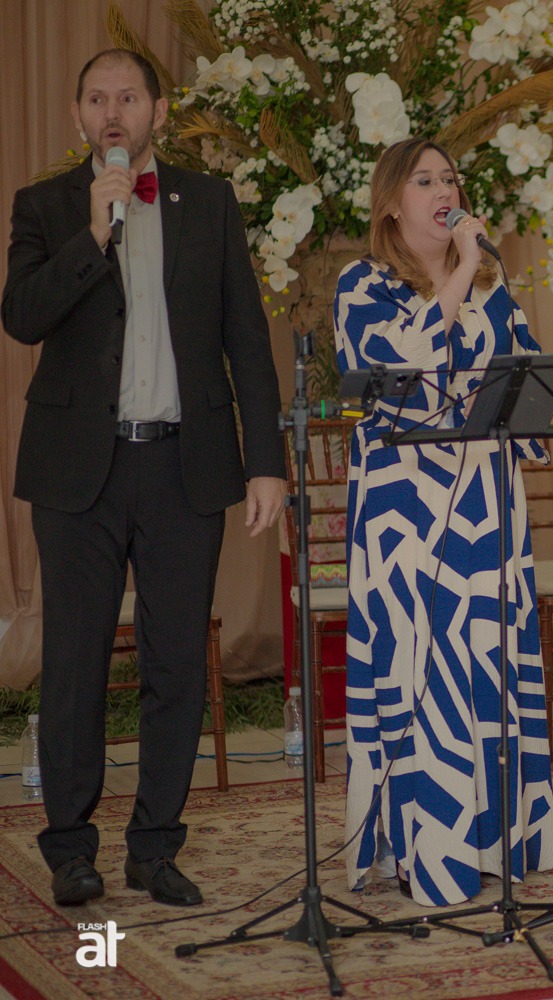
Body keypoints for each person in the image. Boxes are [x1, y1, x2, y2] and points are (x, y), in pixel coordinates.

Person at [2, 49, 285, 907]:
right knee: (75, 665)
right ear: (77, 117)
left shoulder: (210, 202)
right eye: (97, 99)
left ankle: (155, 847)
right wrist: (93, 232)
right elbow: (22, 317)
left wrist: (266, 463)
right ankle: (70, 849)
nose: (113, 112)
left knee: (175, 665)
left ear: (159, 111)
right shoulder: (46, 205)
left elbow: (246, 337)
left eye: (128, 96)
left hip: (183, 465)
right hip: (77, 474)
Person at [335, 137, 553, 907]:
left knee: (486, 666)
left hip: (484, 506)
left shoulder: (494, 285)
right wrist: (460, 271)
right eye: (424, 180)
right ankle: (421, 852)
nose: (443, 191)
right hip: (403, 516)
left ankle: (489, 843)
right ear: (392, 203)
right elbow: (396, 370)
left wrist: (530, 414)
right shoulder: (362, 284)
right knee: (419, 676)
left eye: (449, 179)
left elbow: (528, 377)